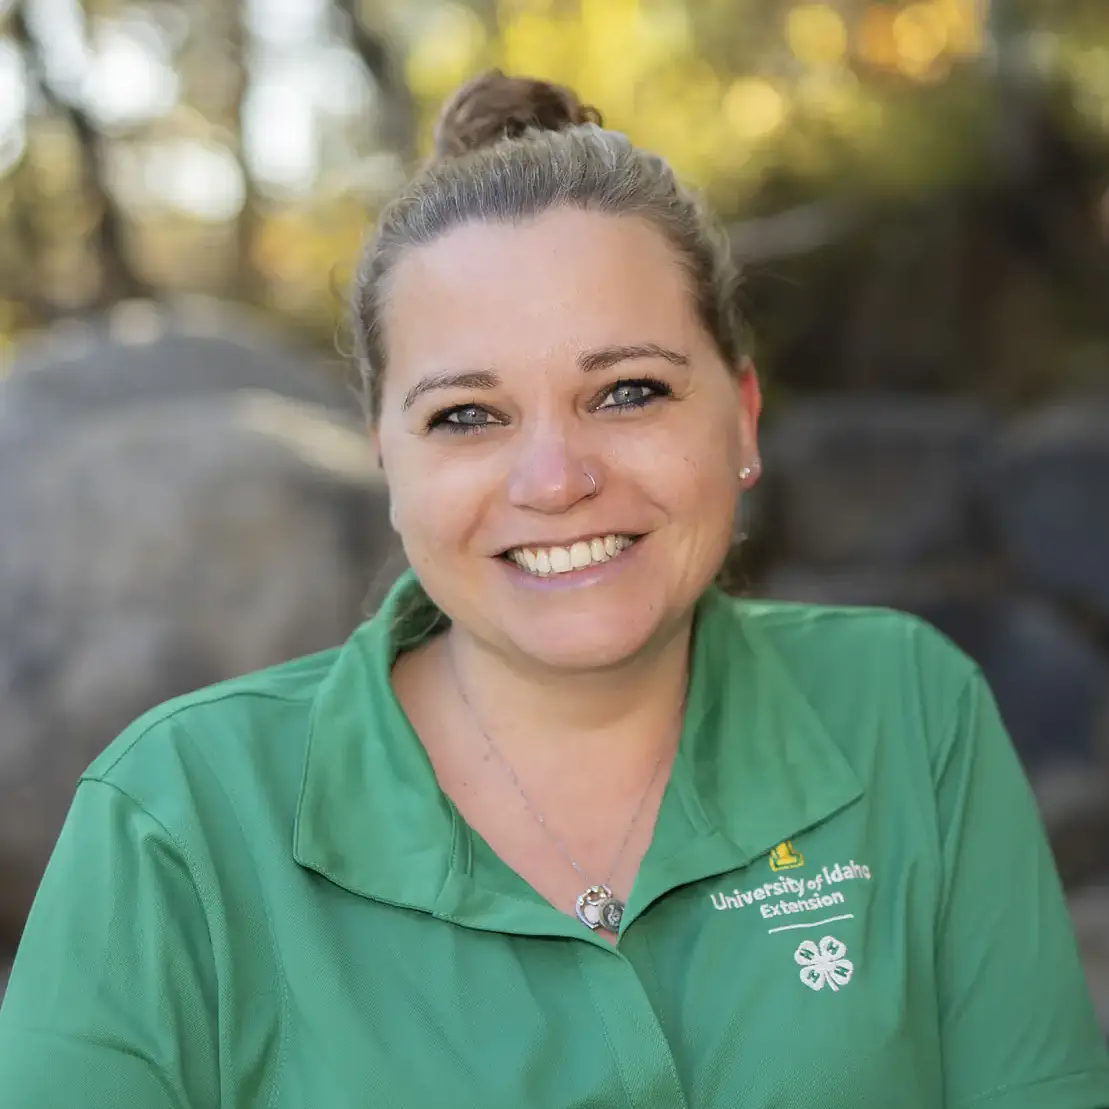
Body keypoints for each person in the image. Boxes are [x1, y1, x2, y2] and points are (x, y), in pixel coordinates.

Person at [0, 69, 1106, 1109]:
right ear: (387, 462)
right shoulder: (174, 818)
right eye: (467, 416)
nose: (556, 478)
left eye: (626, 391)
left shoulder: (906, 707)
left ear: (742, 415)